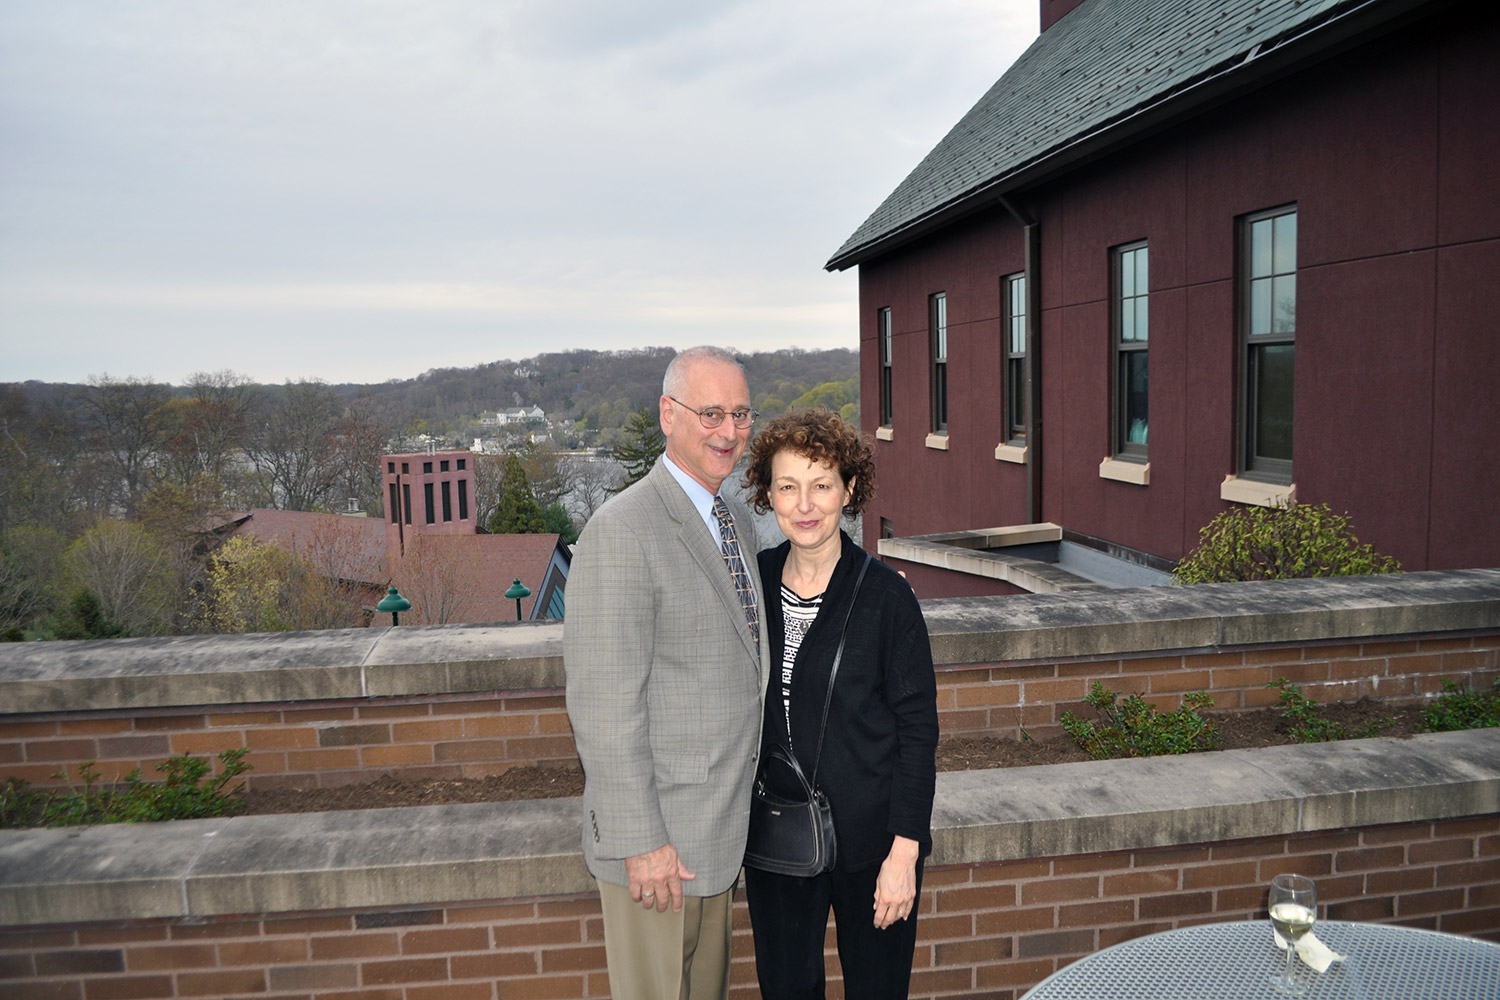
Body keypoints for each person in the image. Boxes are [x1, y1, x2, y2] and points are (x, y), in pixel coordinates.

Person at [564, 346, 770, 1000]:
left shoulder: (735, 521)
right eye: (711, 413)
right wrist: (641, 841)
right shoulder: (622, 531)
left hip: (718, 837)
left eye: (741, 414)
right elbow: (603, 705)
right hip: (658, 854)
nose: (729, 431)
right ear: (668, 414)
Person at [740, 407, 938, 1000]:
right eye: (788, 486)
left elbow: (917, 733)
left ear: (849, 489)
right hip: (779, 837)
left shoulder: (887, 598)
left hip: (873, 846)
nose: (805, 505)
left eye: (821, 485)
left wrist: (904, 854)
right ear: (768, 493)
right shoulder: (751, 586)